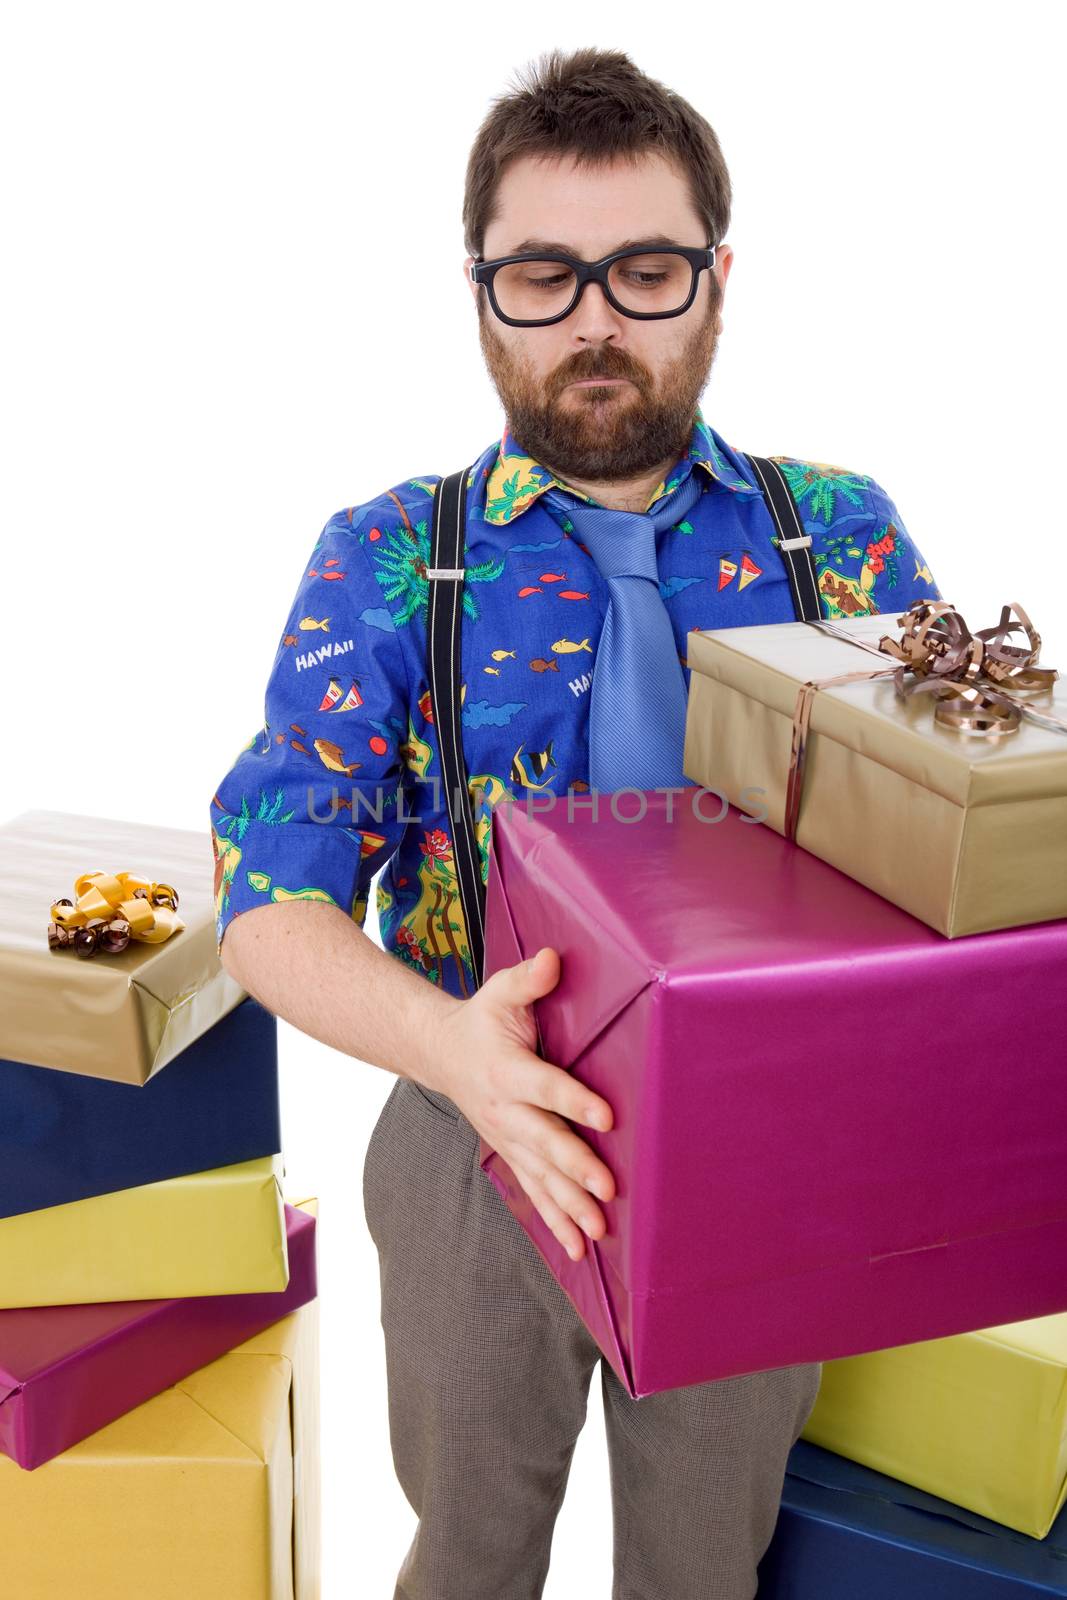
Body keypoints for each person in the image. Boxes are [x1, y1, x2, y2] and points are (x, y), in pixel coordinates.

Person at [209, 45, 941, 1600]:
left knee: (705, 1567)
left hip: (768, 1151)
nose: (597, 318)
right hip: (469, 1127)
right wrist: (456, 1054)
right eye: (544, 274)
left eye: (647, 269)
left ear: (718, 281)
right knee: (471, 1554)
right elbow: (268, 898)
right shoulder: (394, 557)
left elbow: (952, 851)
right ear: (480, 292)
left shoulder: (843, 535)